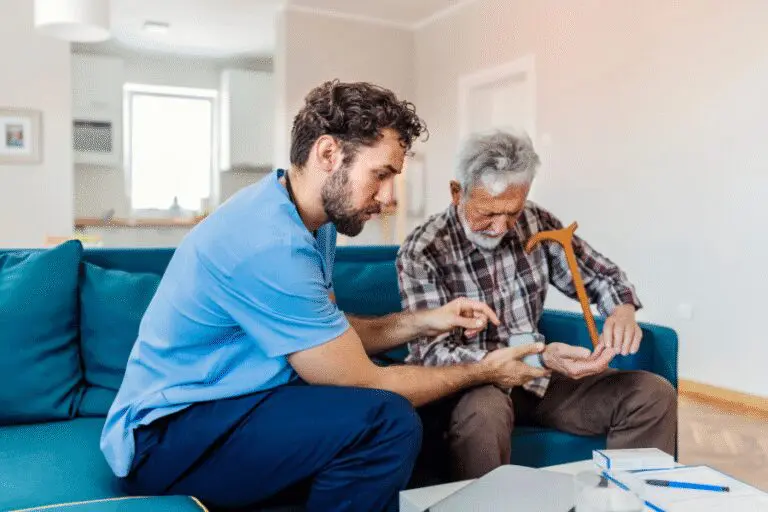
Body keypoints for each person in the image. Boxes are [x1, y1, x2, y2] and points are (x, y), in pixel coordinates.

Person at [99, 81, 550, 512]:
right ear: (328, 153)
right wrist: (483, 371)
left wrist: (425, 320)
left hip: (235, 405)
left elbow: (327, 332)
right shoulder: (268, 242)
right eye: (381, 175)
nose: (389, 197)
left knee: (425, 414)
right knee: (386, 421)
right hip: (167, 434)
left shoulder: (310, 222)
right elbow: (362, 382)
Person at [397, 130, 677, 484]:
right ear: (457, 192)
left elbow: (600, 275)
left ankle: (625, 503)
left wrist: (622, 309)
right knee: (484, 415)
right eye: (488, 213)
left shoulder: (537, 222)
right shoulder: (423, 251)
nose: (500, 227)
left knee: (651, 395)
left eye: (512, 212)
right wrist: (536, 358)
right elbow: (432, 354)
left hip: (541, 382)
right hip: (474, 384)